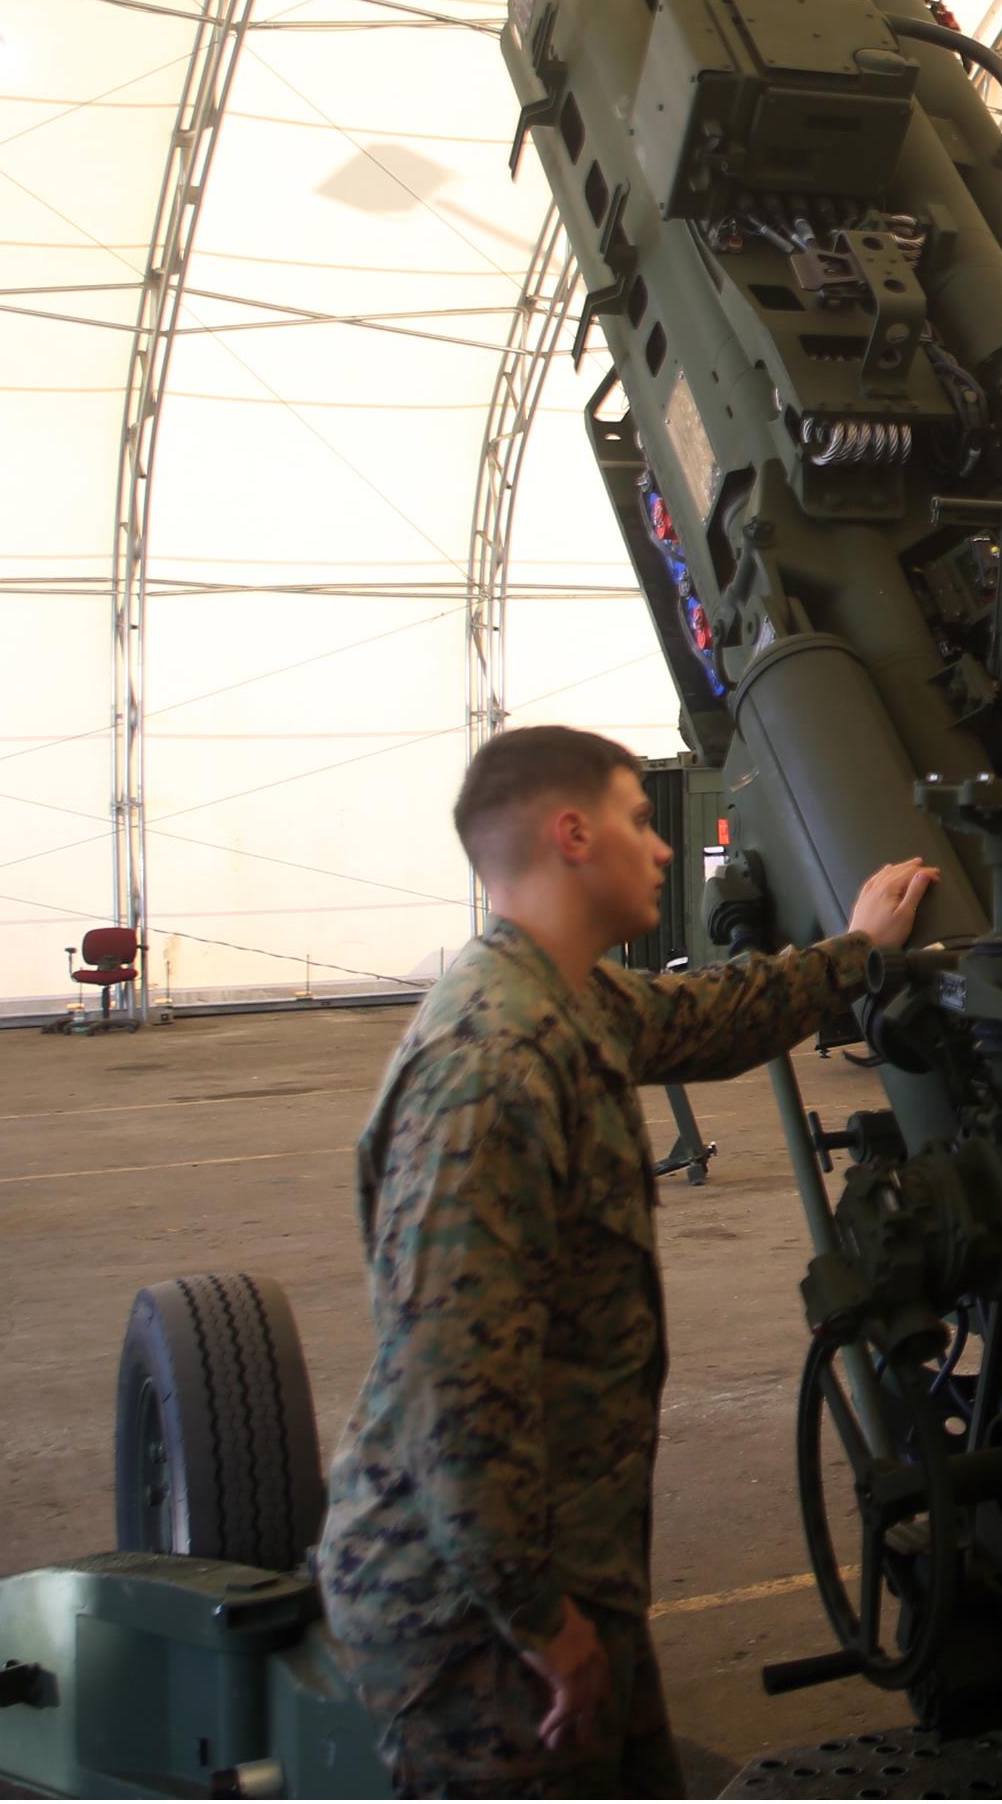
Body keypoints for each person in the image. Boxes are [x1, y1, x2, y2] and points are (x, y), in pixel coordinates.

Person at [315, 725, 937, 1798]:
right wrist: (538, 1624)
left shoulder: (566, 1000)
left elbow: (716, 1017)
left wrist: (856, 951)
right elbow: (451, 1395)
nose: (662, 849)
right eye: (640, 822)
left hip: (559, 1575)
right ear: (571, 835)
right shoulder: (491, 1067)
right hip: (474, 1623)